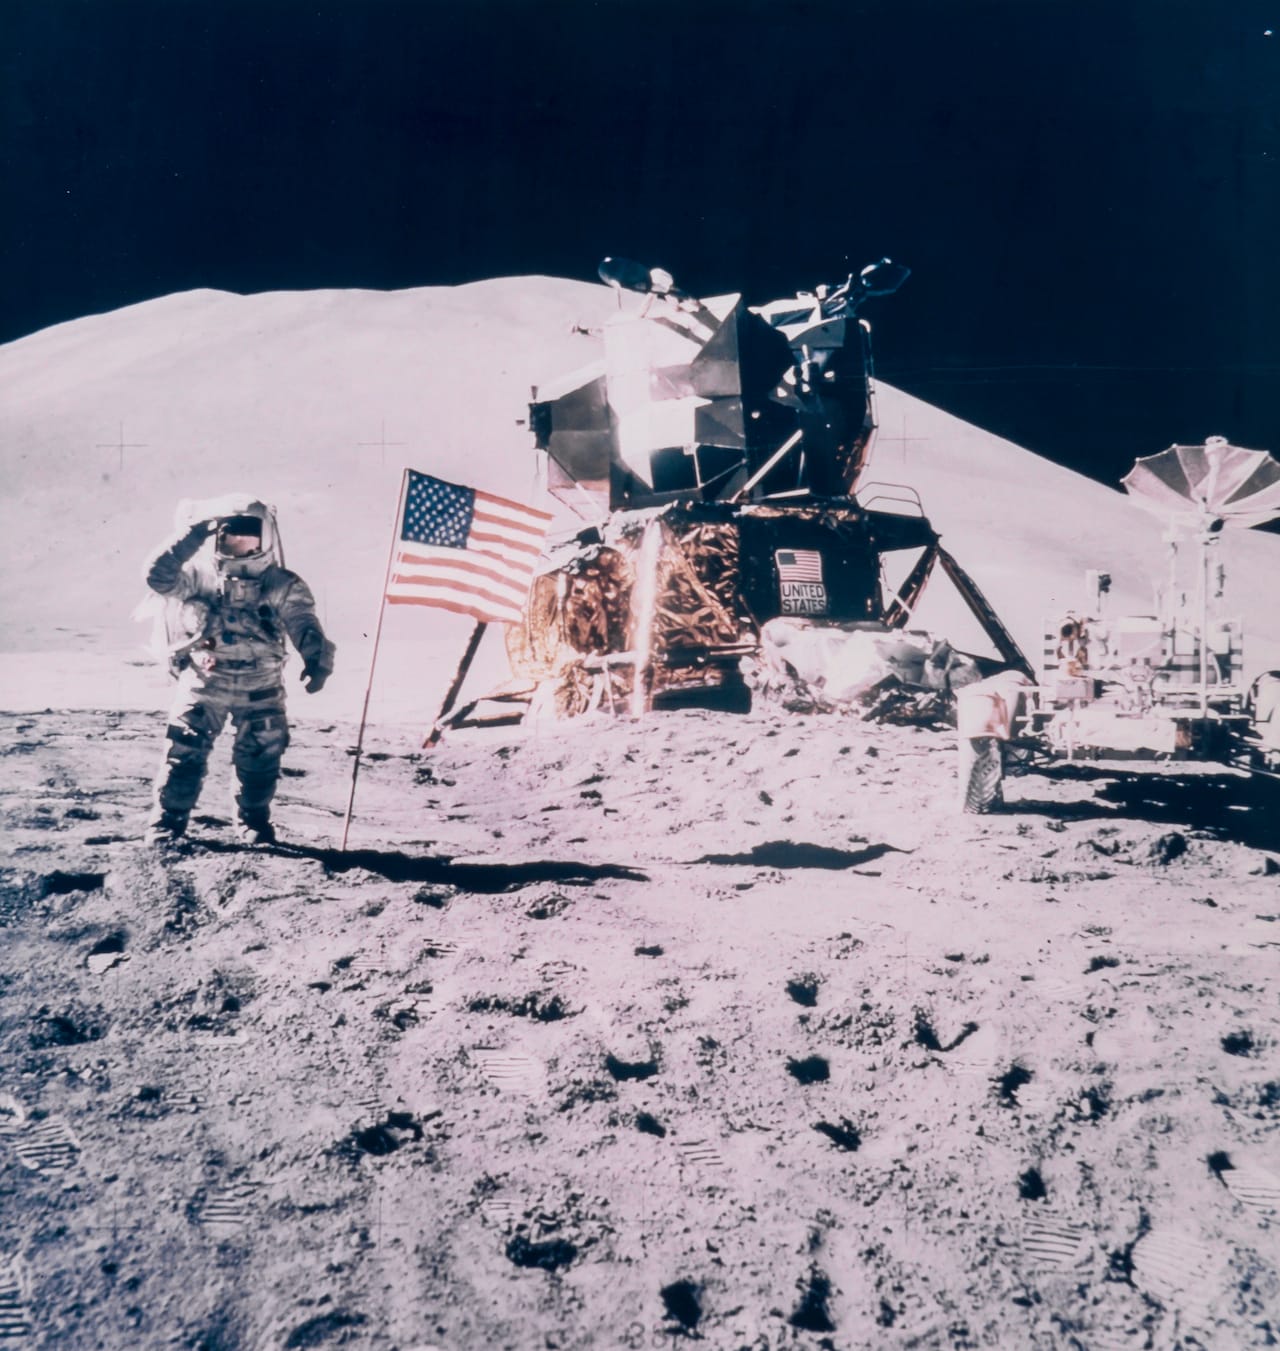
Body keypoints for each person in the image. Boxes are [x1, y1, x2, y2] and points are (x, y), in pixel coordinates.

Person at [142, 496, 335, 846]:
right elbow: (157, 577)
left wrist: (316, 658)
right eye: (231, 540)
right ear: (217, 539)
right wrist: (191, 536)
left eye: (250, 540)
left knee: (261, 759)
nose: (241, 548)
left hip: (260, 684)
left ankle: (254, 824)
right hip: (205, 682)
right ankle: (166, 826)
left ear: (267, 539)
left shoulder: (280, 583)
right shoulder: (199, 578)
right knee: (184, 752)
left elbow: (303, 621)